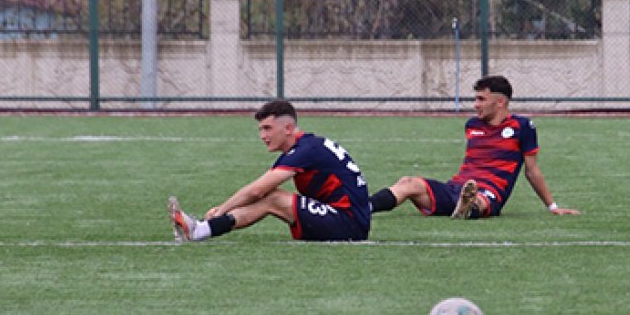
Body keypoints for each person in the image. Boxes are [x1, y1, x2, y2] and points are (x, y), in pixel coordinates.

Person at [368, 75, 580, 220]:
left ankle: (467, 208)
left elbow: (532, 171)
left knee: (479, 200)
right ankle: (364, 207)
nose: (475, 105)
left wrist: (552, 207)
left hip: (489, 192)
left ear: (500, 102)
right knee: (408, 182)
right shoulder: (472, 125)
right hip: (456, 187)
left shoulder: (522, 126)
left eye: (481, 99)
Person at [168, 99, 370, 242]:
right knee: (270, 197)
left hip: (347, 225)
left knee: (272, 199)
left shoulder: (306, 150)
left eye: (267, 128)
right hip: (346, 218)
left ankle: (200, 230)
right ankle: (200, 229)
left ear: (288, 128)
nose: (263, 135)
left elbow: (258, 190)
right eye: (261, 129)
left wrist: (221, 209)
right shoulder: (306, 146)